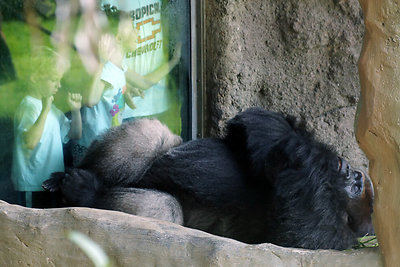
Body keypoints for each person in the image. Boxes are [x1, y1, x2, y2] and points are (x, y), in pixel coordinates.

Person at [11, 47, 82, 208]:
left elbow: (75, 134)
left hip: (51, 183)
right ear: (36, 77)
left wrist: (76, 111)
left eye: (60, 80)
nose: (58, 85)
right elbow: (30, 142)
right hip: (33, 184)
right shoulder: (28, 106)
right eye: (53, 79)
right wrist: (44, 110)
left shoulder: (51, 108)